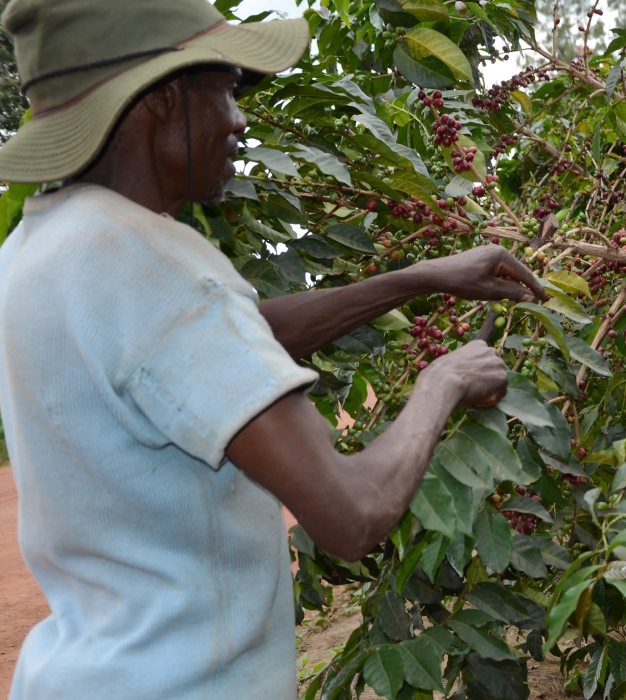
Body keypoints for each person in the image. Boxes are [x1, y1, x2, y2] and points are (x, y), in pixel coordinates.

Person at [0, 0, 547, 697]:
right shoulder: (157, 266)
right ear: (163, 100)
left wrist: (418, 279)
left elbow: (207, 349)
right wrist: (444, 380)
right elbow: (352, 514)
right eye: (227, 90)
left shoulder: (41, 248)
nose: (240, 120)